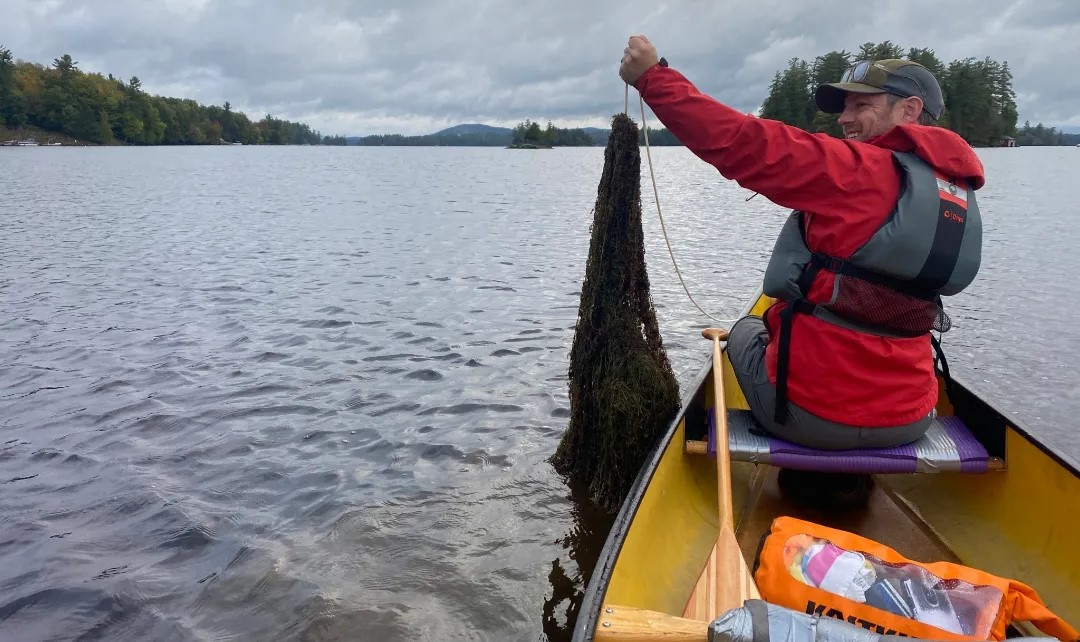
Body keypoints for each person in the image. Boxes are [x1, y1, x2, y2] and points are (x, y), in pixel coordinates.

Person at [618, 36, 984, 456]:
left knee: (745, 329)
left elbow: (740, 141)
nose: (844, 119)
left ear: (910, 110)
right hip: (913, 417)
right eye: (843, 107)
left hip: (813, 418)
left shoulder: (857, 168)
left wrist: (652, 77)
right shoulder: (955, 191)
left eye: (861, 105)